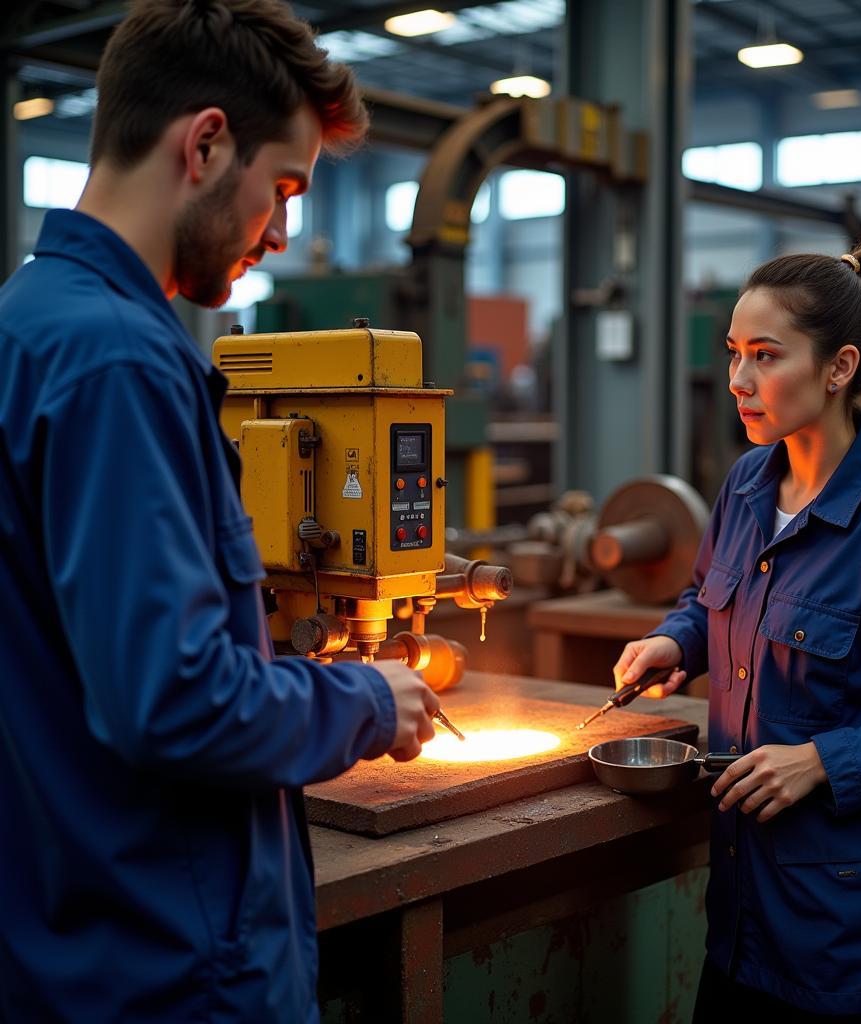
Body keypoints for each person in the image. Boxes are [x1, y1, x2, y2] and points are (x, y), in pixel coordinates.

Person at [0, 2, 441, 1020]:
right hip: (168, 969)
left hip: (71, 947)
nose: (281, 233)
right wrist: (367, 700)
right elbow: (171, 698)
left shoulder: (28, 324)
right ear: (203, 144)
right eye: (280, 187)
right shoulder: (119, 359)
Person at [614, 248, 861, 1022]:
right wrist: (677, 641)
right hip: (740, 917)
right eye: (734, 354)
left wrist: (825, 760)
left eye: (765, 357)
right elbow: (708, 597)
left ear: (838, 369)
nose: (738, 381)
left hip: (853, 939)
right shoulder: (746, 484)